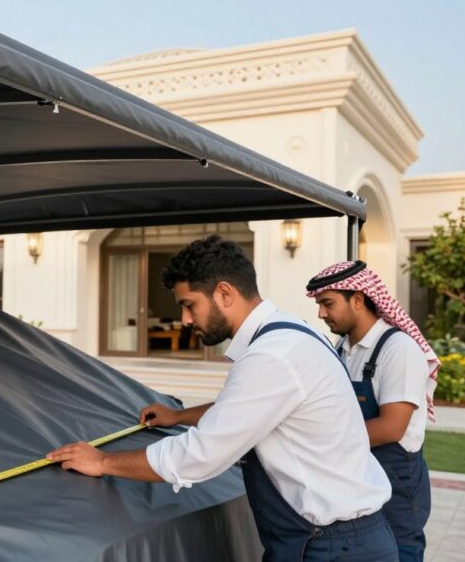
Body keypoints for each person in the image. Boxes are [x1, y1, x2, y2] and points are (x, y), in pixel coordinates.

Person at [48, 236, 398, 561]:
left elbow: (199, 457)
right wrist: (177, 416)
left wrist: (102, 462)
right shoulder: (292, 333)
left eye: (189, 305)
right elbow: (248, 409)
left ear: (225, 293)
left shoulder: (272, 356)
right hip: (334, 538)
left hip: (335, 547)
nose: (185, 319)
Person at [307, 260, 438, 562]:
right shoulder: (341, 349)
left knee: (401, 552)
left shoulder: (398, 349)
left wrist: (320, 444)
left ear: (357, 299)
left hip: (397, 481)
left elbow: (391, 428)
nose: (321, 314)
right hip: (356, 474)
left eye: (327, 303)